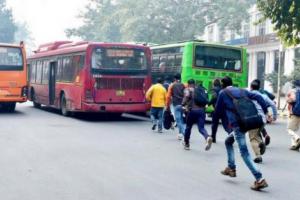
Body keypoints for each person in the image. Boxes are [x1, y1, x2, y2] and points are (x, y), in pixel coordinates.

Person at [212, 76, 268, 191]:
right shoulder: (242, 90)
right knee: (228, 141)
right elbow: (258, 96)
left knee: (244, 153)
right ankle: (231, 167)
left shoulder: (223, 93)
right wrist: (266, 110)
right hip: (248, 121)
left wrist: (214, 129)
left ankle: (259, 179)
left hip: (238, 125)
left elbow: (217, 112)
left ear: (222, 85)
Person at [181, 79, 213, 151]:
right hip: (201, 111)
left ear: (188, 84)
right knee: (201, 128)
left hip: (192, 111)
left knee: (188, 127)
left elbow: (185, 99)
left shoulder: (188, 90)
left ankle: (187, 144)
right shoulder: (200, 90)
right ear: (194, 83)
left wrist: (183, 105)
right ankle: (207, 137)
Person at [166, 74, 186, 140]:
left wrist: (167, 106)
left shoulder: (172, 85)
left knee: (178, 120)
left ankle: (185, 133)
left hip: (176, 105)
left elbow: (168, 97)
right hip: (183, 105)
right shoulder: (184, 85)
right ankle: (180, 134)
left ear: (174, 79)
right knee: (181, 119)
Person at [286, 80, 300, 151]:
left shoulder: (294, 91)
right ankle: (294, 145)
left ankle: (297, 138)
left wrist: (288, 100)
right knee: (294, 129)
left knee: (290, 129)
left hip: (295, 113)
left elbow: (291, 100)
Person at [209, 79, 222, 143]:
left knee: (214, 124)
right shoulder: (222, 89)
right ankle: (231, 135)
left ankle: (213, 137)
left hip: (216, 108)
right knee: (225, 123)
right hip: (223, 108)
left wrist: (208, 104)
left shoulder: (214, 89)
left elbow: (214, 98)